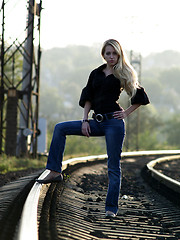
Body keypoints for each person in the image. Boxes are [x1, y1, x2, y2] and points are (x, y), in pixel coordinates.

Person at [36, 39, 150, 218]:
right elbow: (88, 96)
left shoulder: (123, 72)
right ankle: (55, 171)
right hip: (95, 121)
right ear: (103, 54)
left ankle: (111, 208)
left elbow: (139, 96)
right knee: (60, 128)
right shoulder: (96, 73)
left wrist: (126, 113)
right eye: (108, 53)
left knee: (113, 166)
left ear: (119, 55)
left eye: (114, 54)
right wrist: (84, 120)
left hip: (114, 123)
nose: (111, 57)